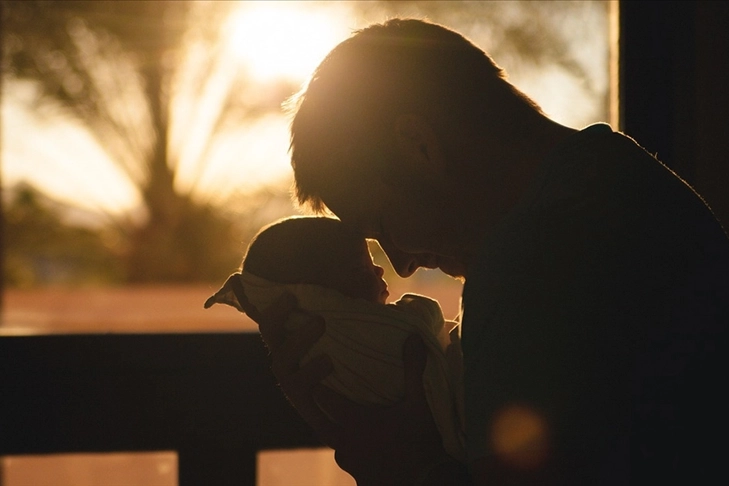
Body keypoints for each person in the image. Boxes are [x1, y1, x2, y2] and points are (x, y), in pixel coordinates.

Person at [242, 18, 729, 485]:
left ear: (418, 145)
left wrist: (397, 461)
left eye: (382, 224)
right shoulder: (621, 176)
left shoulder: (530, 263)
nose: (402, 263)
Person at [204, 216, 466, 462]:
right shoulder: (356, 337)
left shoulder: (311, 356)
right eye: (358, 268)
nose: (381, 269)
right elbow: (425, 321)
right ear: (315, 296)